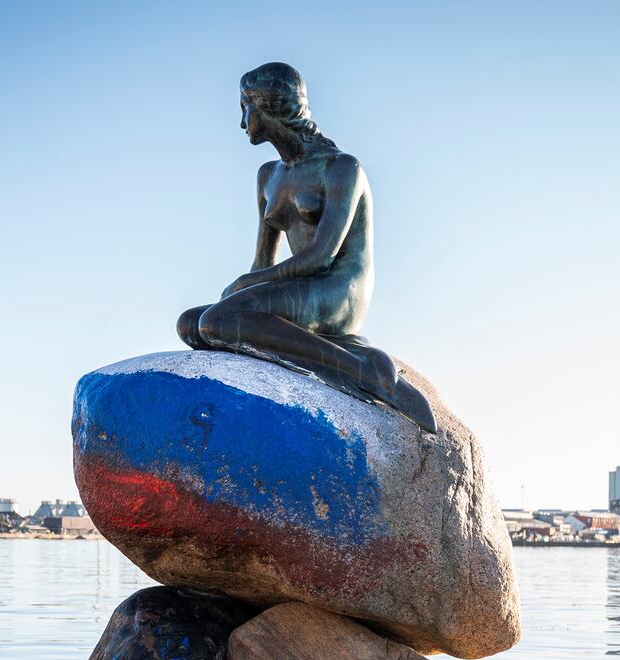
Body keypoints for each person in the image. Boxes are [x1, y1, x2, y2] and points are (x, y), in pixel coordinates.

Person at [177, 62, 437, 433]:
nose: (241, 122)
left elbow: (323, 256)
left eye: (244, 108)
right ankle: (342, 353)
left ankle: (365, 369)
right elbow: (262, 261)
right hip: (298, 288)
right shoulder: (268, 176)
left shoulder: (341, 168)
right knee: (191, 324)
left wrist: (245, 287)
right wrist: (241, 286)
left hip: (337, 289)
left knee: (218, 321)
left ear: (268, 106)